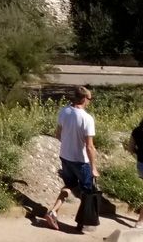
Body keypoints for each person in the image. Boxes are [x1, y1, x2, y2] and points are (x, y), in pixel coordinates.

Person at [43, 86, 98, 231]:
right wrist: (94, 168)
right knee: (87, 192)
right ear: (85, 98)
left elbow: (58, 134)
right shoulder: (87, 118)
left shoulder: (64, 111)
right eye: (90, 99)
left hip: (65, 157)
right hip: (81, 161)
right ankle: (83, 223)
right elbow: (90, 147)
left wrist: (68, 143)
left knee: (69, 185)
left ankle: (53, 211)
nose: (90, 102)